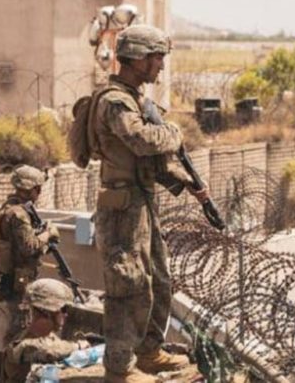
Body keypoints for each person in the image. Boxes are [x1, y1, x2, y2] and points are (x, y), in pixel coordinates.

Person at [88, 25, 211, 382]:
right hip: (122, 207)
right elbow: (142, 141)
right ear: (139, 57)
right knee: (127, 286)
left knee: (158, 281)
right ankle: (120, 367)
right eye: (156, 57)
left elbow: (149, 162)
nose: (160, 65)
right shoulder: (114, 101)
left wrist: (186, 183)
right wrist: (174, 133)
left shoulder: (136, 98)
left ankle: (148, 352)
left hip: (141, 203)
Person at [0, 165, 60, 344]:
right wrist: (48, 233)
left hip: (8, 278)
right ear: (33, 189)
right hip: (20, 284)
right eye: (38, 189)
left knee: (16, 331)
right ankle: (9, 370)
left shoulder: (4, 210)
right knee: (19, 332)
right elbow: (29, 246)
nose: (40, 192)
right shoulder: (19, 215)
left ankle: (7, 368)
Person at [0, 278, 93, 383]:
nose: (66, 314)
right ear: (47, 312)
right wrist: (78, 347)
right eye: (63, 310)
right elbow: (43, 349)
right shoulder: (23, 345)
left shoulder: (51, 339)